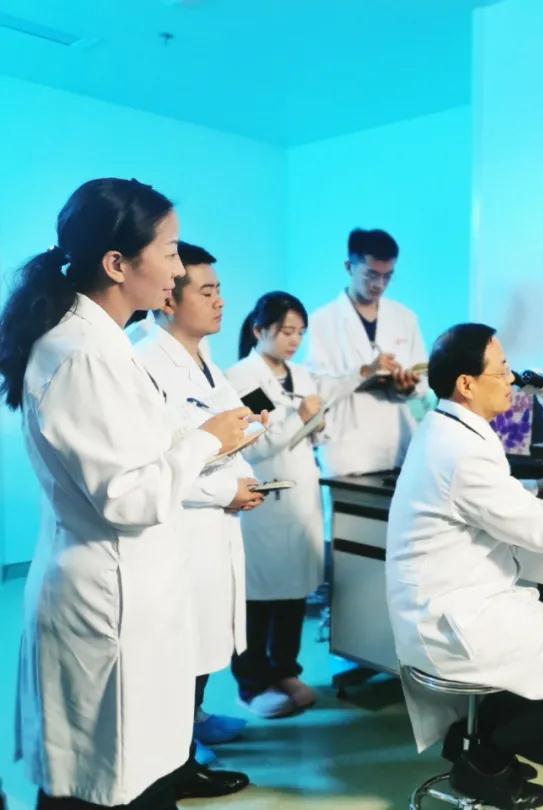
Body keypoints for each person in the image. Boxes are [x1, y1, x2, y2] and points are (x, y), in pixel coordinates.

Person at [0, 178, 251, 809]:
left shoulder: (103, 344)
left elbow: (138, 448)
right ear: (117, 264)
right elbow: (129, 496)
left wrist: (200, 439)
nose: (178, 268)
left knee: (134, 775)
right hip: (104, 599)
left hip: (129, 594)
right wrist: (207, 441)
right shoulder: (82, 353)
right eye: (169, 251)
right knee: (104, 789)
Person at [386, 323, 543, 809]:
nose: (511, 380)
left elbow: (482, 499)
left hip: (444, 607)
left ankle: (475, 750)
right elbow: (542, 534)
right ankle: (488, 765)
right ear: (467, 384)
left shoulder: (444, 429)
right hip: (452, 621)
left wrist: (534, 492)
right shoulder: (462, 451)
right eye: (501, 370)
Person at [134, 241, 263, 798]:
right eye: (206, 291)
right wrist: (225, 489)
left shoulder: (204, 360)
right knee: (177, 655)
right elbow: (154, 466)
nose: (220, 301)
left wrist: (245, 473)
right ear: (169, 299)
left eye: (219, 290)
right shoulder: (145, 362)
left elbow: (233, 429)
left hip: (215, 529)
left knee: (201, 649)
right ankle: (174, 766)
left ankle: (186, 746)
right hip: (179, 532)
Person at [227, 292, 327, 717]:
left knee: (293, 592)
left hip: (300, 499)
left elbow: (314, 433)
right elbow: (258, 443)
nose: (294, 340)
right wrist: (301, 417)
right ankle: (251, 684)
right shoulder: (243, 378)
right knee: (257, 596)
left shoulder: (301, 375)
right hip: (264, 501)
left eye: (300, 333)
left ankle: (285, 670)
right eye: (286, 331)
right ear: (259, 330)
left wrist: (316, 422)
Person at [307, 227, 427, 476]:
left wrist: (408, 386)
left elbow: (424, 380)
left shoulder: (405, 318)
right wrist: (364, 372)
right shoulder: (322, 321)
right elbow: (317, 387)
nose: (379, 284)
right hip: (349, 454)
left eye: (388, 276)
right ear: (349, 267)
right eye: (371, 274)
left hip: (398, 447)